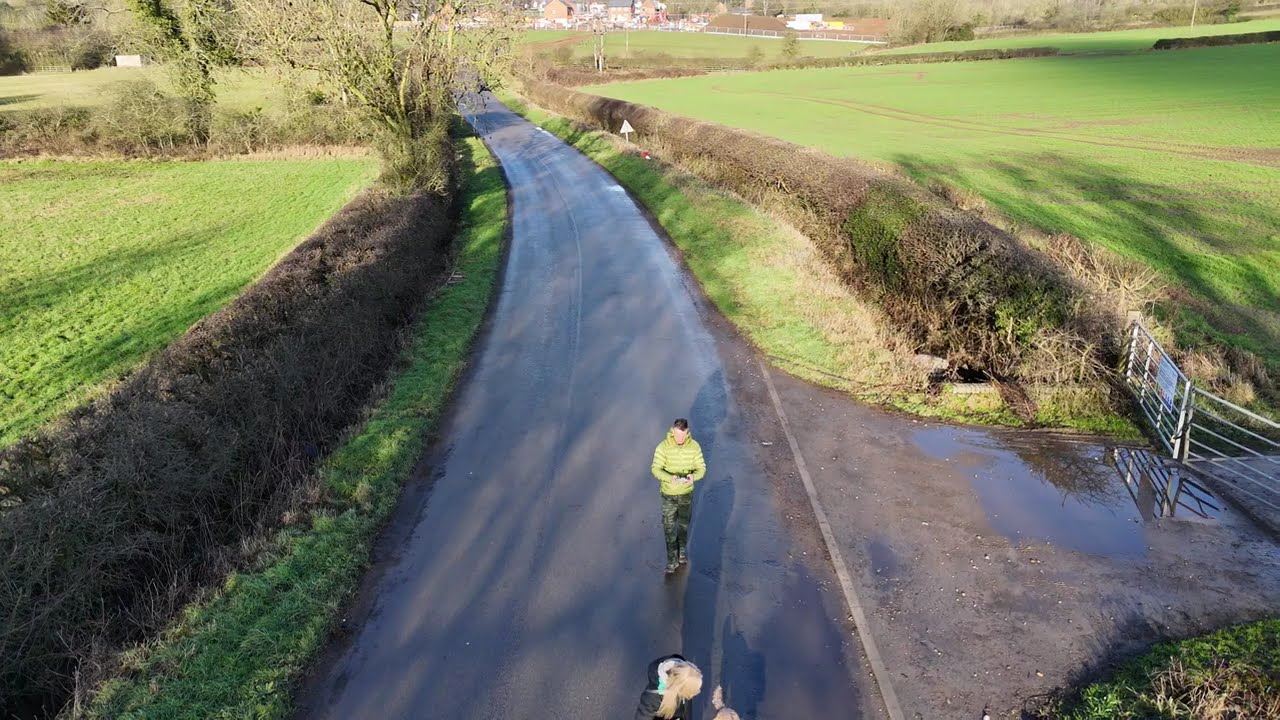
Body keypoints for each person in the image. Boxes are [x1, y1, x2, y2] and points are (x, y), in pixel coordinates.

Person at [650, 418, 706, 574]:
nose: (679, 439)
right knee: (669, 527)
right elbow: (655, 469)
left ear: (687, 432)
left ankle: (682, 552)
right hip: (668, 494)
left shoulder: (694, 447)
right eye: (676, 435)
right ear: (672, 431)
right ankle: (671, 560)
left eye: (682, 435)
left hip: (686, 494)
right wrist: (670, 478)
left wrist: (693, 477)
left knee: (683, 525)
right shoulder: (663, 447)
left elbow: (701, 469)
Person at [632, 654, 702, 720]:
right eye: (689, 693)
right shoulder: (653, 697)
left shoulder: (683, 675)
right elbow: (642, 717)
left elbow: (686, 709)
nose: (691, 696)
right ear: (678, 688)